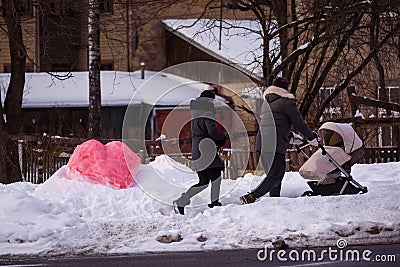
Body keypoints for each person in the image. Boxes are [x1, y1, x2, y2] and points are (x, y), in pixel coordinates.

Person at [240, 77, 319, 204]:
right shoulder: (286, 102)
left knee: (273, 176)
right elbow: (299, 123)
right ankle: (251, 197)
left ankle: (274, 201)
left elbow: (275, 126)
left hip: (262, 144)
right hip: (274, 146)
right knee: (276, 175)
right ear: (285, 88)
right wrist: (311, 137)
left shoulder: (267, 104)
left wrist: (290, 136)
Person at [173, 90, 226, 215]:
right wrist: (221, 138)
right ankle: (214, 204)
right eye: (212, 100)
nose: (213, 102)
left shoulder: (195, 113)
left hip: (197, 148)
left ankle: (181, 201)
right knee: (216, 176)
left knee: (203, 181)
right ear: (209, 100)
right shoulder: (208, 112)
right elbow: (212, 131)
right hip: (206, 149)